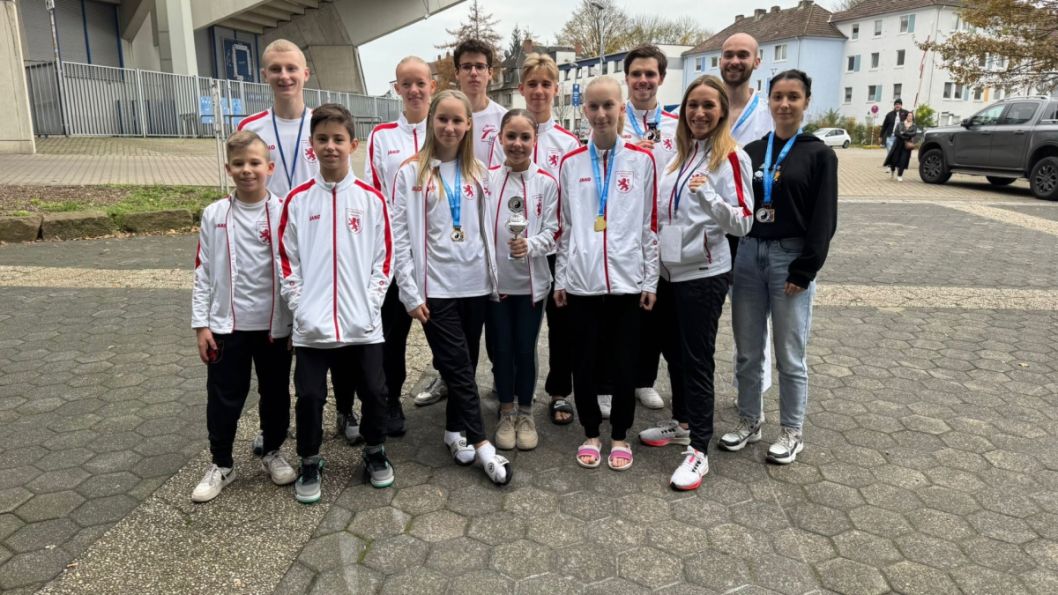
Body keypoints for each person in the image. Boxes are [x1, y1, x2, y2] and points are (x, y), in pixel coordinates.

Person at [238, 39, 362, 451]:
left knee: (335, 332)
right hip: (272, 251)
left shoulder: (324, 124)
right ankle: (274, 424)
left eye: (291, 68)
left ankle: (346, 409)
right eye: (275, 69)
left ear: (306, 73)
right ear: (265, 75)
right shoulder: (251, 128)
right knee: (273, 343)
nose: (284, 76)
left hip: (321, 248)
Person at [390, 90, 513, 486]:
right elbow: (399, 237)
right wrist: (409, 292)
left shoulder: (479, 171)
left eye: (458, 120)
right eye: (443, 118)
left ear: (468, 125)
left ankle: (453, 431)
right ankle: (482, 446)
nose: (450, 127)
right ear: (431, 121)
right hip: (435, 290)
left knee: (467, 361)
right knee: (458, 368)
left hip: (474, 285)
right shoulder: (411, 172)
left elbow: (486, 229)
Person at [637, 75, 754, 490]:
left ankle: (699, 451)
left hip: (704, 274)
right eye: (692, 106)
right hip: (669, 273)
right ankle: (683, 423)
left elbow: (743, 221)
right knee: (675, 354)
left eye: (708, 106)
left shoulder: (731, 157)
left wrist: (710, 200)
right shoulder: (679, 155)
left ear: (721, 111)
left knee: (698, 359)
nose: (699, 113)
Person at [277, 104, 396, 503]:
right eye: (323, 139)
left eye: (338, 139)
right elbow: (286, 260)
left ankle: (375, 451)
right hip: (312, 327)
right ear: (311, 146)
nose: (331, 146)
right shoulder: (296, 201)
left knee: (375, 392)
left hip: (362, 323)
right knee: (310, 396)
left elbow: (385, 258)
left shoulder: (372, 200)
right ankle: (310, 459)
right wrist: (300, 307)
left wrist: (370, 303)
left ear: (353, 144)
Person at [718, 70, 838, 465]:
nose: (784, 104)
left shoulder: (819, 154)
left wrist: (805, 270)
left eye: (793, 97)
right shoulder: (751, 151)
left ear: (806, 103)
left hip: (790, 260)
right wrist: (733, 259)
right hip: (749, 255)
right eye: (778, 97)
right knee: (748, 351)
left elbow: (824, 219)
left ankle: (791, 431)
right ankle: (750, 421)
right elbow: (738, 207)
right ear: (768, 102)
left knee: (790, 353)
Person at [554, 77, 658, 472]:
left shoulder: (641, 160)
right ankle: (591, 433)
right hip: (582, 284)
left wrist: (649, 281)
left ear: (620, 107)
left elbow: (649, 225)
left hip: (628, 282)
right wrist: (561, 279)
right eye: (593, 107)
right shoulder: (570, 164)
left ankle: (619, 435)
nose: (601, 114)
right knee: (584, 361)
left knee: (624, 363)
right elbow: (564, 227)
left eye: (608, 106)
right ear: (585, 110)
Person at [190, 130, 297, 503]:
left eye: (254, 163)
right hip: (226, 326)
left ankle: (272, 450)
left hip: (274, 327)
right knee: (223, 397)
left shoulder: (285, 211)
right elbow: (203, 270)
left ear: (269, 167)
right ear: (228, 169)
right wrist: (201, 324)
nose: (247, 170)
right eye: (239, 164)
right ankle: (222, 463)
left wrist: (296, 320)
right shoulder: (214, 214)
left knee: (275, 394)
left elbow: (296, 268)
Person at [363, 56, 438, 431]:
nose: (413, 90)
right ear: (396, 89)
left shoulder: (443, 128)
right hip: (394, 254)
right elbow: (372, 195)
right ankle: (391, 401)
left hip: (438, 254)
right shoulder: (382, 136)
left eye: (419, 82)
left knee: (444, 332)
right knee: (392, 336)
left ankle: (455, 395)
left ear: (432, 86)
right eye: (405, 84)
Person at [485, 109, 559, 450]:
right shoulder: (485, 180)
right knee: (501, 349)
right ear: (500, 139)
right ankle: (505, 410)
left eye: (524, 137)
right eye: (510, 136)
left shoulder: (546, 182)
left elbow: (555, 231)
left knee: (525, 349)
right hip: (496, 286)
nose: (517, 144)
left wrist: (530, 245)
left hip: (531, 286)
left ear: (534, 141)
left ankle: (526, 412)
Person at [613, 44, 678, 413]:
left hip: (662, 228)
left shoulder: (675, 125)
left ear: (661, 79)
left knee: (653, 306)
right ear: (627, 79)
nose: (642, 80)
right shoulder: (613, 121)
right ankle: (610, 379)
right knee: (619, 307)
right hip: (622, 229)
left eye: (650, 74)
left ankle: (644, 380)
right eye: (636, 74)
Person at [518, 52, 581, 425]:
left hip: (556, 248)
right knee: (517, 326)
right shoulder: (510, 134)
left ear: (555, 90)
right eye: (532, 84)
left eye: (546, 83)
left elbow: (574, 199)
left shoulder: (568, 141)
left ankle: (560, 392)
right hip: (517, 249)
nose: (539, 90)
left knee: (561, 327)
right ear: (522, 89)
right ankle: (510, 388)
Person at [720, 32, 774, 397]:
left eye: (743, 55)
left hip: (751, 231)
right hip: (708, 229)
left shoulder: (769, 112)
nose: (734, 61)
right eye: (728, 55)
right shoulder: (704, 106)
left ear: (757, 61)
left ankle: (751, 398)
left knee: (752, 323)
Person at [455, 38, 508, 168]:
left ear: (490, 72)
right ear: (457, 72)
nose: (473, 73)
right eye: (467, 67)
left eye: (479, 67)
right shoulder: (445, 119)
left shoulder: (504, 119)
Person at [883, 111, 917, 181]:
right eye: (909, 116)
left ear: (912, 118)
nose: (910, 117)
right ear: (906, 117)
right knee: (894, 160)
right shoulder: (900, 124)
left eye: (911, 116)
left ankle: (900, 175)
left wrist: (904, 133)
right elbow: (896, 133)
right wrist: (905, 135)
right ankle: (892, 171)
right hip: (898, 144)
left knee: (903, 160)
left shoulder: (914, 125)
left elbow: (913, 133)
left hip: (906, 145)